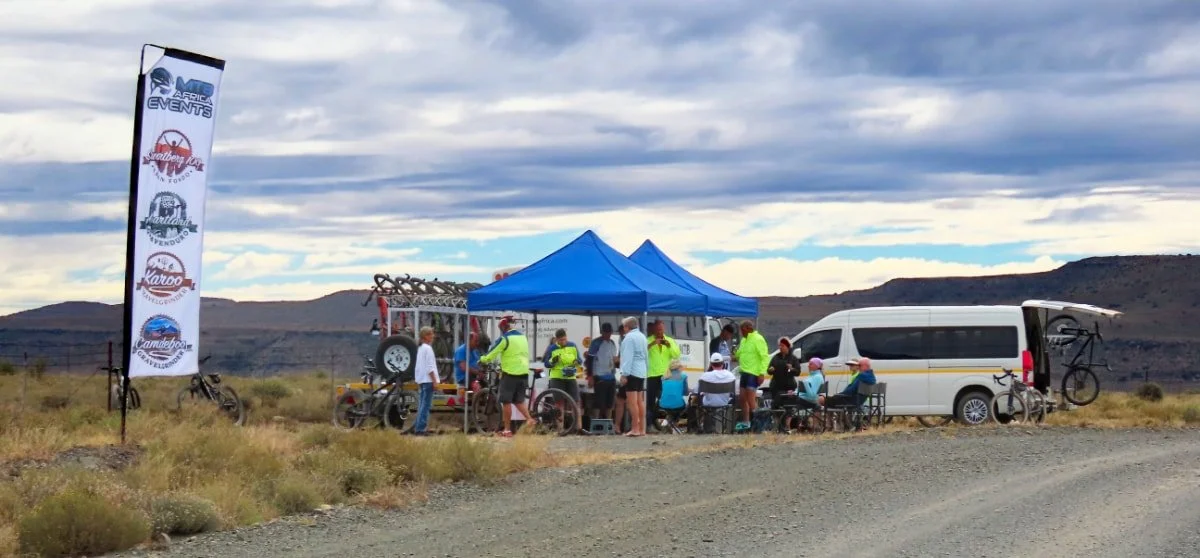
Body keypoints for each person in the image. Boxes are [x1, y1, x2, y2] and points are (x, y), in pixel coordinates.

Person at [479, 317, 535, 437]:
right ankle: (529, 419)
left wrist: (482, 359)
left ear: (504, 328)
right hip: (523, 373)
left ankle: (507, 430)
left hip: (510, 374)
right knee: (518, 400)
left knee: (506, 401)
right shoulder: (523, 337)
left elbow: (491, 354)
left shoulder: (504, 339)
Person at [542, 328, 584, 434]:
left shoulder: (572, 345)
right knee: (559, 403)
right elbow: (546, 363)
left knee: (576, 401)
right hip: (557, 377)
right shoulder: (552, 348)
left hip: (570, 377)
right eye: (560, 340)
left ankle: (579, 428)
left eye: (564, 339)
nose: (563, 342)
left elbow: (579, 360)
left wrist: (576, 361)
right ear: (556, 339)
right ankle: (560, 429)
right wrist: (553, 361)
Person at [732, 319, 769, 430]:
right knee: (742, 398)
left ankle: (759, 423)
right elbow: (739, 354)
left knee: (751, 399)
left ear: (748, 328)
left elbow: (764, 357)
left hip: (753, 373)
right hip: (744, 372)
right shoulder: (744, 340)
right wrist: (734, 354)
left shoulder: (758, 339)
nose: (741, 333)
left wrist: (762, 373)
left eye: (742, 330)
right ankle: (746, 422)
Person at [645, 319, 681, 433]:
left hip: (666, 376)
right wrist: (652, 344)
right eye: (657, 329)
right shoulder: (647, 340)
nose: (660, 331)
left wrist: (669, 345)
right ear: (654, 329)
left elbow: (676, 355)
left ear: (664, 329)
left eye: (661, 329)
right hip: (652, 375)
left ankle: (666, 424)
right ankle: (649, 424)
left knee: (665, 401)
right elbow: (642, 352)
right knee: (650, 402)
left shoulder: (669, 340)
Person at [618, 316, 649, 437]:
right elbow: (646, 355)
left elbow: (627, 357)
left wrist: (624, 374)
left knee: (631, 402)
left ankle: (635, 428)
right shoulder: (642, 336)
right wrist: (646, 370)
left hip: (632, 372)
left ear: (627, 327)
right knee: (640, 401)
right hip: (641, 371)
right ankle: (642, 429)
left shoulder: (629, 338)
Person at [693, 353, 737, 433]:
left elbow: (696, 391)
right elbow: (735, 392)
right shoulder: (730, 376)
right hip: (724, 403)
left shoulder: (705, 376)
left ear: (711, 364)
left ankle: (700, 425)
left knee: (695, 401)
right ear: (723, 364)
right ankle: (726, 427)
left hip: (708, 403)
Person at [586, 322, 618, 425]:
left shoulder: (612, 343)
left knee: (610, 402)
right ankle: (596, 422)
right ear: (602, 332)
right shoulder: (596, 343)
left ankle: (608, 423)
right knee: (599, 402)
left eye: (609, 333)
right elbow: (589, 360)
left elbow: (614, 359)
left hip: (611, 376)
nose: (607, 335)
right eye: (606, 333)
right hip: (599, 376)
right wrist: (590, 376)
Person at [412, 326, 439, 436]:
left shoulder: (420, 348)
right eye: (431, 334)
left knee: (422, 405)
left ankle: (418, 426)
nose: (433, 336)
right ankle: (420, 428)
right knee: (425, 405)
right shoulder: (428, 349)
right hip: (428, 380)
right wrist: (435, 381)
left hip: (422, 380)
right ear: (426, 336)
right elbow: (430, 367)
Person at [766, 336, 801, 408]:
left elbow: (798, 372)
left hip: (789, 387)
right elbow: (769, 371)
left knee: (788, 406)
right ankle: (777, 418)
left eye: (783, 345)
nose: (780, 347)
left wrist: (792, 369)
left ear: (788, 346)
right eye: (780, 345)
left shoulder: (793, 358)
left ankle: (787, 418)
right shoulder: (776, 357)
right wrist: (770, 370)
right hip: (776, 386)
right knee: (776, 406)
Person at [657, 360, 689, 430]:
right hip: (678, 405)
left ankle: (669, 422)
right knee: (686, 406)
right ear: (679, 368)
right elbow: (686, 393)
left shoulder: (663, 377)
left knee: (671, 407)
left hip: (663, 404)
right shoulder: (683, 377)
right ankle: (673, 423)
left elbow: (661, 392)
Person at [453, 332, 482, 401]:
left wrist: (481, 372)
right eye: (475, 341)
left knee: (489, 387)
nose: (477, 343)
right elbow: (463, 367)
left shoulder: (475, 351)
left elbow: (478, 363)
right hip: (464, 377)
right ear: (469, 340)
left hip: (473, 375)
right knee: (476, 386)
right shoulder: (461, 350)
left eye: (478, 341)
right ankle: (475, 407)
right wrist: (477, 372)